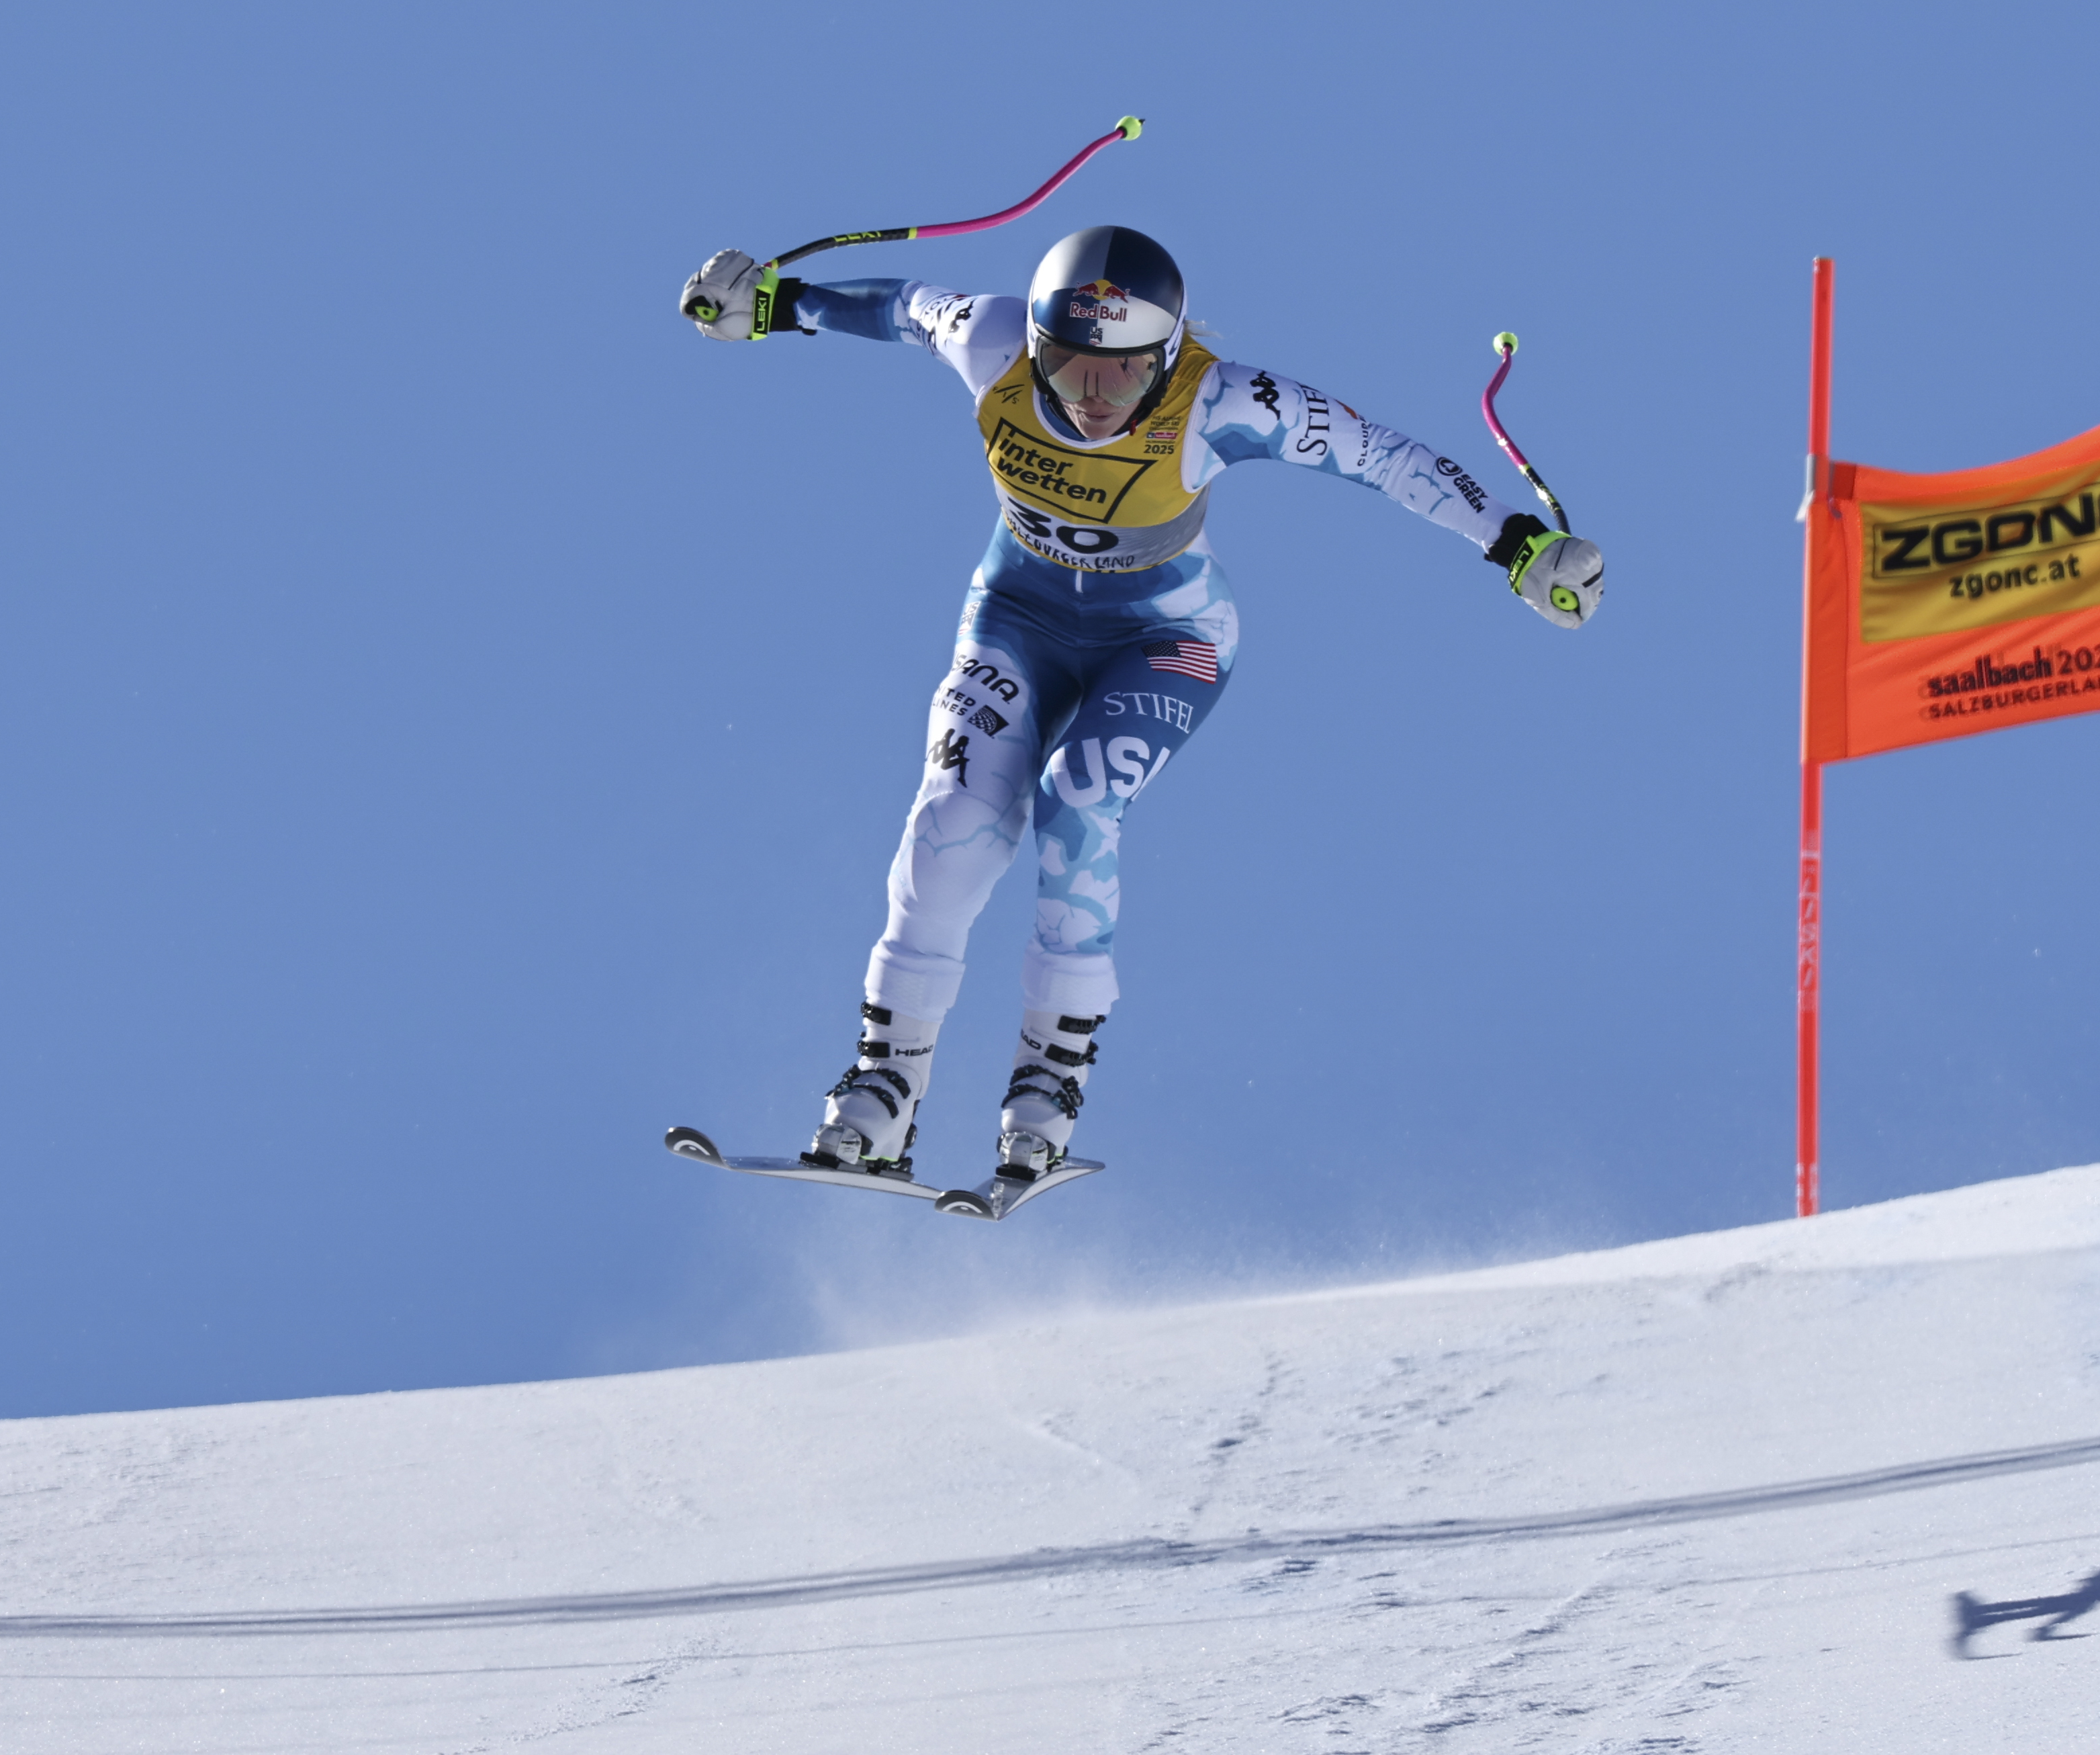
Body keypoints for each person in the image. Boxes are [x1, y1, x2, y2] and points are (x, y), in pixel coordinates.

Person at [677, 225, 1604, 1185]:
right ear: (1034, 345)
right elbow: (904, 307)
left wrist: (1518, 545)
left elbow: (1381, 455)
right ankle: (884, 1086)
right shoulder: (990, 341)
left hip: (1167, 641)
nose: (1090, 399)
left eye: (1122, 378)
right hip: (1016, 620)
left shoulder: (1227, 402)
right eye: (1071, 369)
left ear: (1166, 359)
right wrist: (776, 306)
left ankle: (1049, 1082)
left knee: (1079, 797)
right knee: (953, 823)